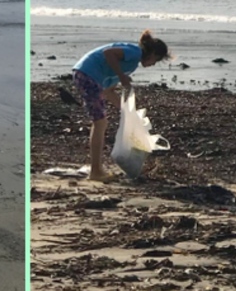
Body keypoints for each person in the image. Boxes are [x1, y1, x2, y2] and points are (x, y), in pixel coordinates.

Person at [72, 30, 170, 181]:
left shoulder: (131, 64)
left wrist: (129, 112)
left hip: (87, 76)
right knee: (100, 123)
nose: (152, 65)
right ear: (152, 54)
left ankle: (96, 169)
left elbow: (108, 91)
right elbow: (108, 53)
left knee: (100, 122)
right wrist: (121, 76)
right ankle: (96, 171)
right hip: (88, 74)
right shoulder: (135, 52)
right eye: (155, 61)